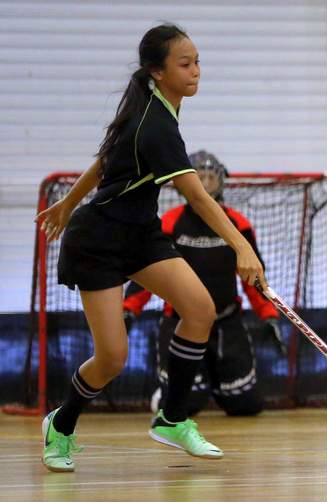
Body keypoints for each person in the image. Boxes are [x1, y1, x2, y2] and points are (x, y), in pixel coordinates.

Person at [36, 24, 267, 472]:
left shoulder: (152, 110)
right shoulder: (157, 125)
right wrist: (242, 247)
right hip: (99, 243)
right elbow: (197, 196)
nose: (196, 71)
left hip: (140, 234)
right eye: (185, 64)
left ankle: (173, 419)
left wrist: (68, 199)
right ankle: (60, 425)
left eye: (198, 61)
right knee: (112, 358)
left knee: (199, 308)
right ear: (157, 72)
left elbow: (107, 160)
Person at [123, 150, 286, 418]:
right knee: (185, 406)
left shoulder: (237, 224)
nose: (206, 184)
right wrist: (129, 309)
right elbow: (149, 272)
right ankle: (174, 390)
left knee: (247, 406)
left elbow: (253, 276)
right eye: (200, 178)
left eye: (211, 178)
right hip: (180, 321)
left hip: (226, 322)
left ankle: (219, 380)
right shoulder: (169, 223)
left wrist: (268, 315)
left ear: (221, 181)